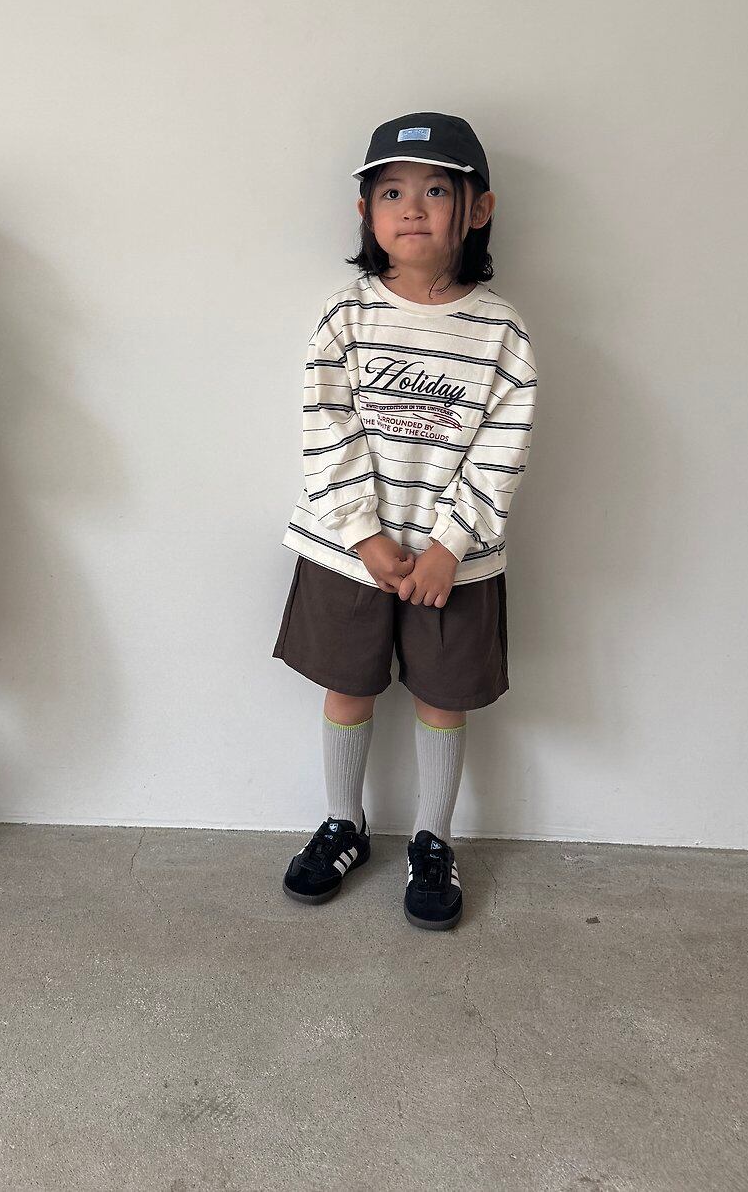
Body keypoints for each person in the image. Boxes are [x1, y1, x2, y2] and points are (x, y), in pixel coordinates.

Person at [275, 113, 536, 929]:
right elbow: (325, 426)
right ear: (365, 212)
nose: (412, 207)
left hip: (455, 563)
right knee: (348, 685)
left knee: (441, 696)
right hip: (346, 551)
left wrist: (450, 545)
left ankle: (433, 837)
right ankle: (343, 823)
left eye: (435, 190)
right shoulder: (345, 316)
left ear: (478, 207)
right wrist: (363, 533)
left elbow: (503, 448)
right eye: (390, 191)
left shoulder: (502, 331)